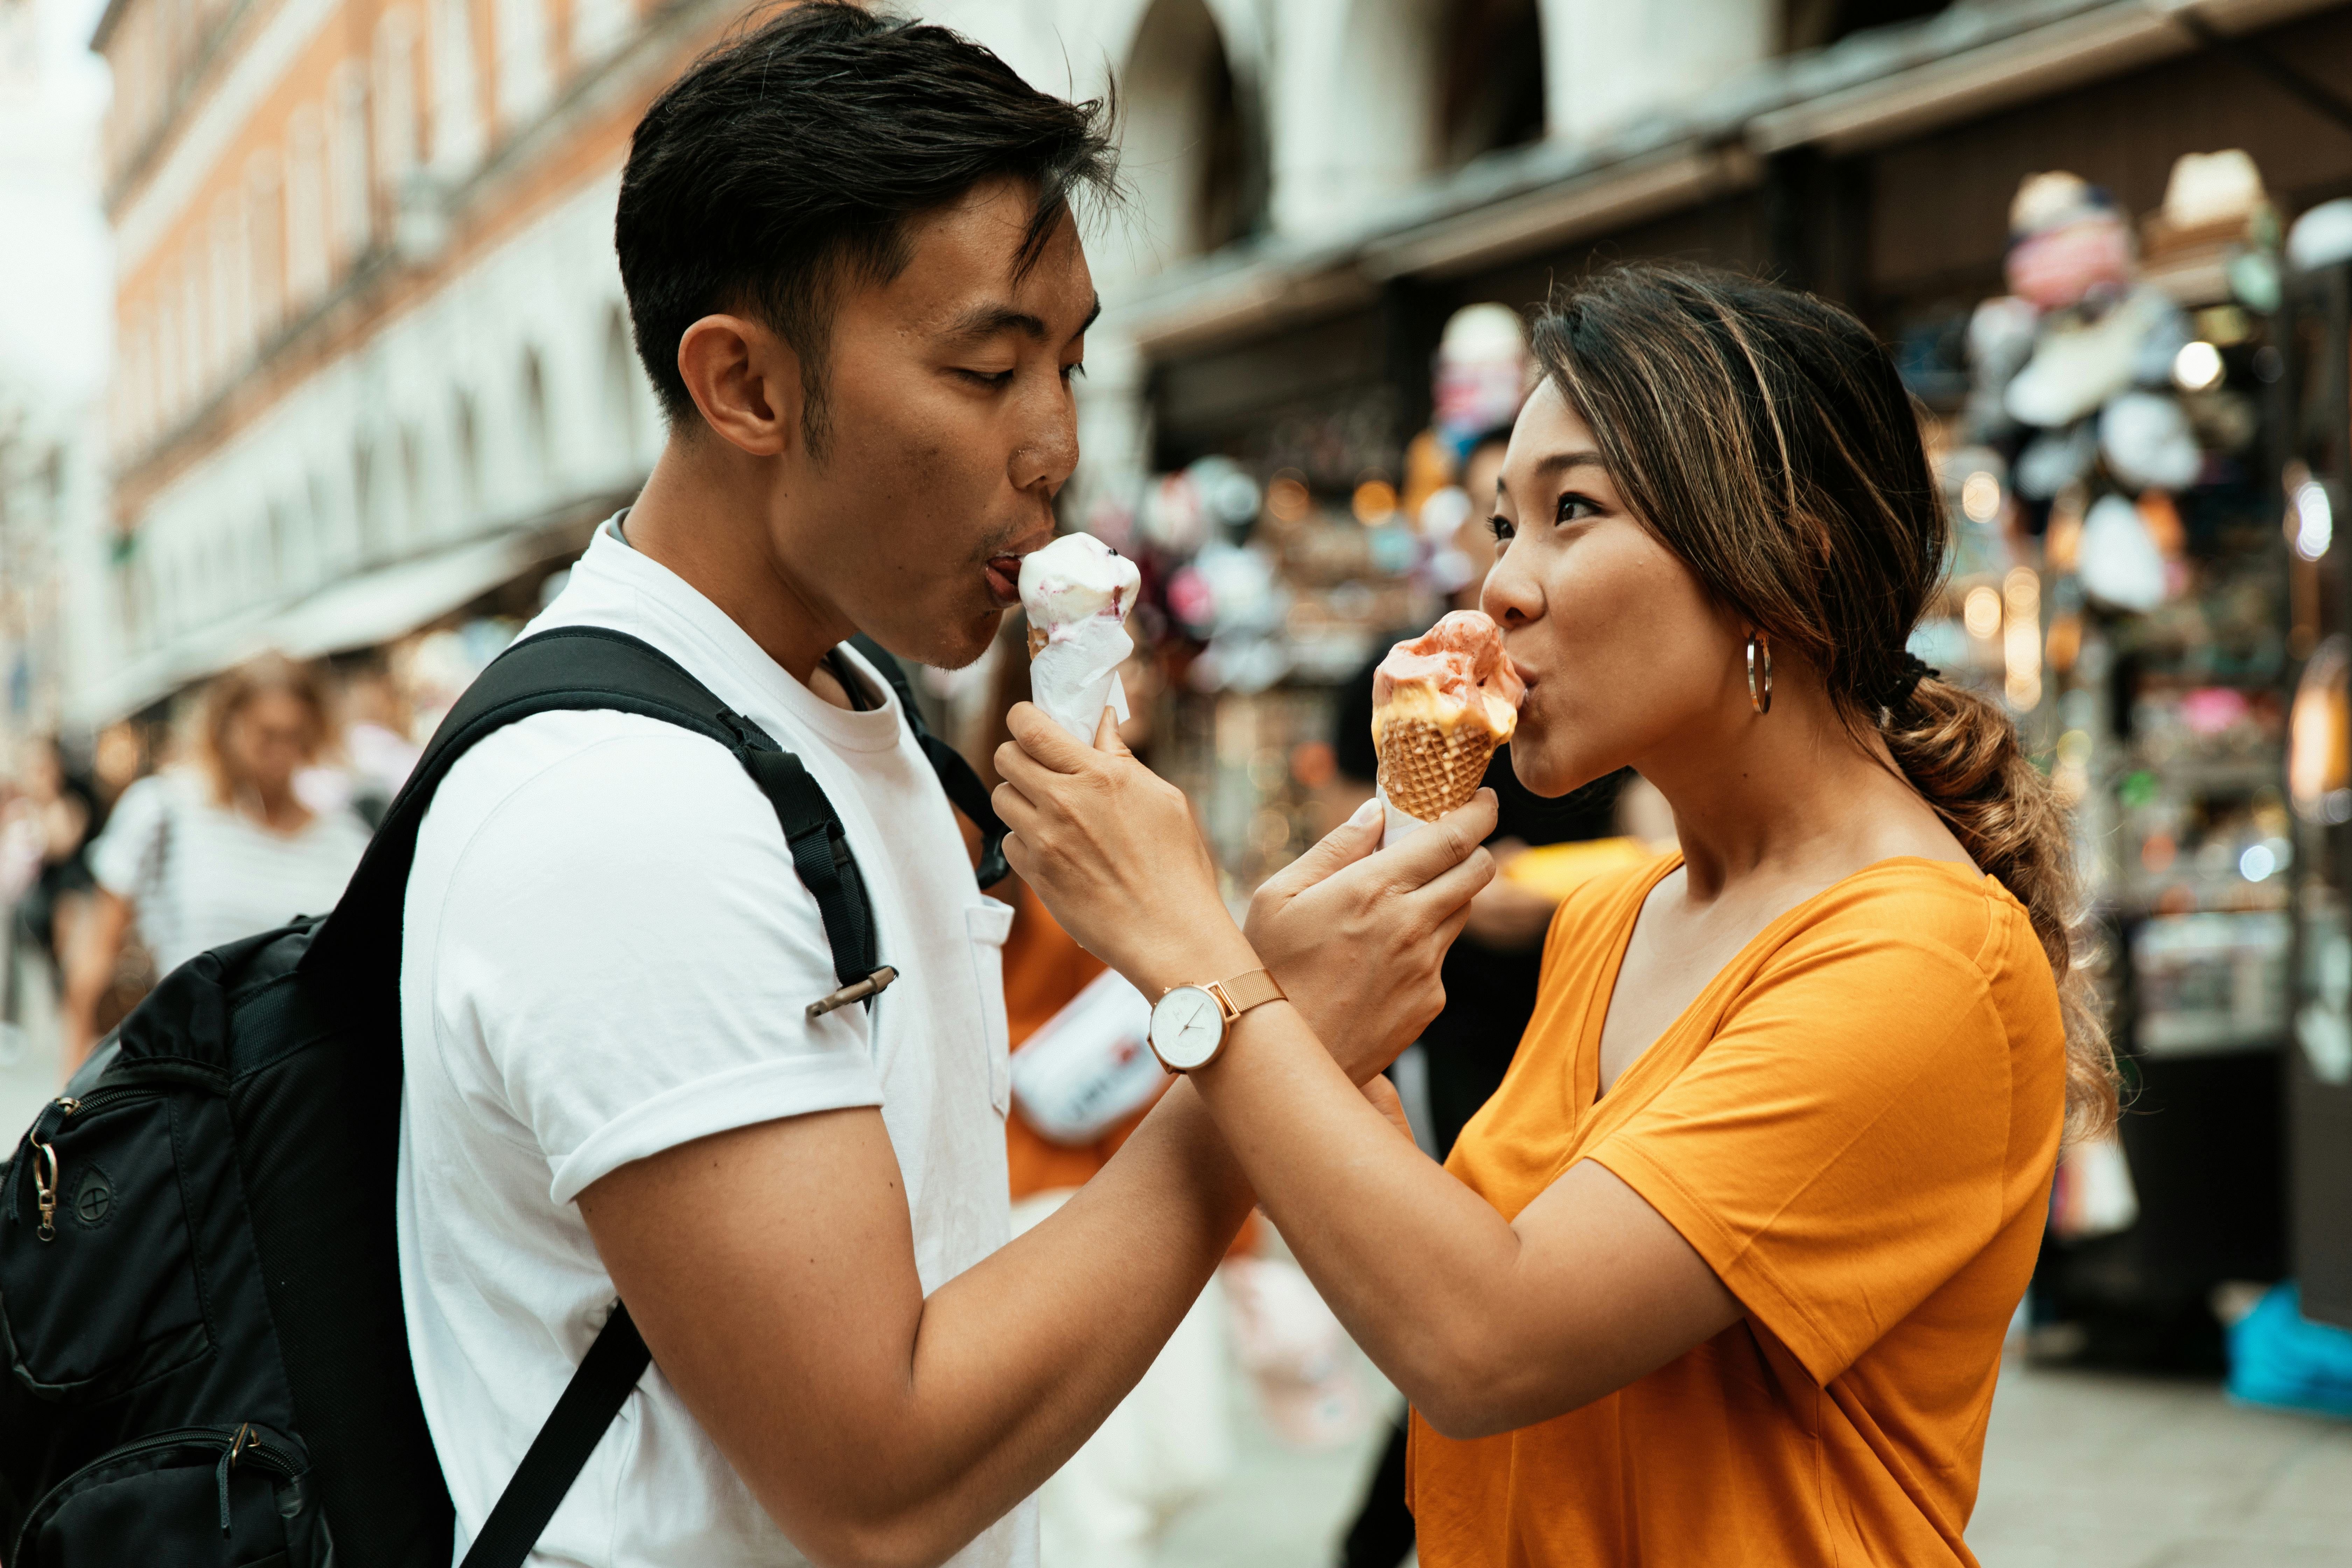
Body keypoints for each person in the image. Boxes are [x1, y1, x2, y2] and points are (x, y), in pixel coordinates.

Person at [395, 9, 1488, 1568]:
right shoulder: (626, 812)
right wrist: (1257, 1034)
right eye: (987, 367)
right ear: (744, 388)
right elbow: (875, 1475)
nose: (1052, 445)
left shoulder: (859, 706)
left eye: (1070, 360)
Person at [996, 262, 2113, 1566]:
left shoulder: (1917, 959)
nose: (1500, 592)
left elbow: (1485, 1343)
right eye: (1500, 524)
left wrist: (1187, 949)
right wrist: (1300, 998)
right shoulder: (1625, 912)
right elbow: (1422, 1270)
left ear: (1785, 557)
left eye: (1570, 510)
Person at [62, 655, 369, 1070]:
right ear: (228, 726)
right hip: (193, 1075)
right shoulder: (164, 810)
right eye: (267, 735)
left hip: (306, 1080)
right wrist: (71, 1084)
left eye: (295, 736)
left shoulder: (344, 839)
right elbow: (97, 957)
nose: (280, 752)